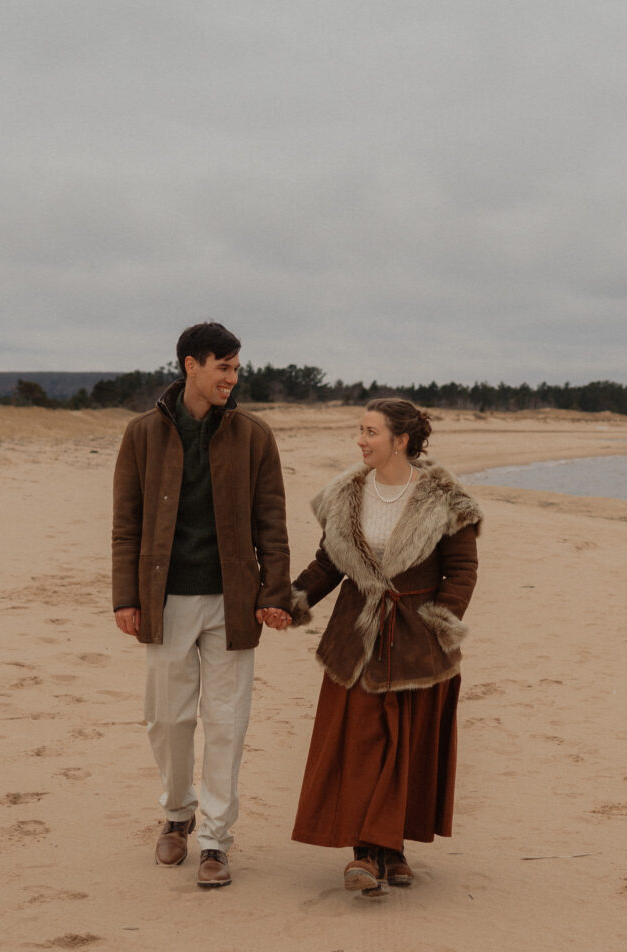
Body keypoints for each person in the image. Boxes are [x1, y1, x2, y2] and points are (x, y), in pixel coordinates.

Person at [112, 322, 291, 888]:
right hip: (163, 599)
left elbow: (273, 524)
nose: (233, 380)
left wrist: (275, 593)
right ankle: (176, 812)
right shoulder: (141, 435)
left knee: (227, 722)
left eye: (237, 370)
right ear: (191, 365)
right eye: (225, 368)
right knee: (167, 719)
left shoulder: (254, 435)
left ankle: (214, 839)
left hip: (233, 601)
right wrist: (125, 596)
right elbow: (126, 526)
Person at [289, 398, 481, 896]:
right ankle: (365, 853)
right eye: (360, 430)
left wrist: (441, 622)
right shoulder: (346, 493)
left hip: (418, 640)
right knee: (361, 741)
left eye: (370, 431)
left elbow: (460, 572)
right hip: (355, 636)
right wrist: (292, 602)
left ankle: (391, 847)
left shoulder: (446, 498)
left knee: (407, 743)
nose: (360, 440)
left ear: (400, 440)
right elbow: (329, 564)